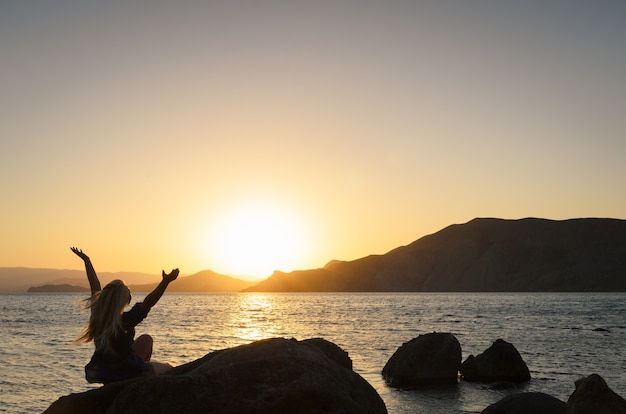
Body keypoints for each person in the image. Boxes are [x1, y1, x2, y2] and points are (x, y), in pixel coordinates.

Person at [71, 247, 179, 384]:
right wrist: (165, 282)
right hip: (125, 371)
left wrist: (86, 260)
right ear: (122, 301)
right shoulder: (124, 321)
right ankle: (138, 378)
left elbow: (94, 285)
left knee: (146, 339)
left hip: (103, 371)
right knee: (168, 368)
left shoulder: (98, 316)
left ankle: (133, 376)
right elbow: (148, 302)